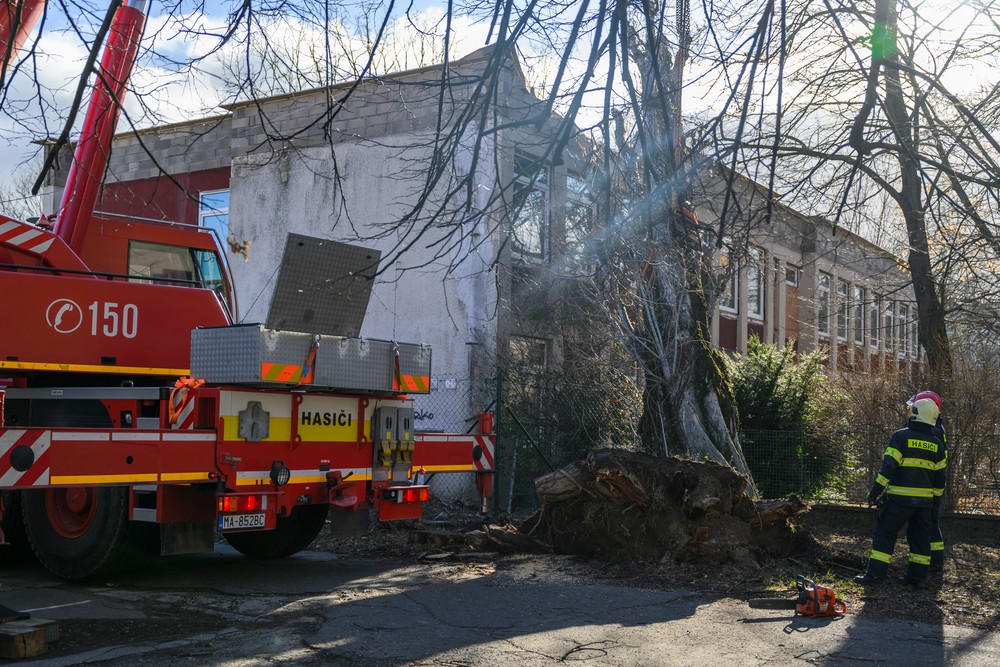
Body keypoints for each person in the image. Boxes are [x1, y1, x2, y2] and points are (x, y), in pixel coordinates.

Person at [854, 396, 947, 587]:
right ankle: (917, 579)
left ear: (915, 413)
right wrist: (935, 501)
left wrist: (875, 492)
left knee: (885, 533)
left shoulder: (901, 436)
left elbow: (889, 467)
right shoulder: (937, 443)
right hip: (924, 504)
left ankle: (875, 576)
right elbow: (941, 478)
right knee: (920, 540)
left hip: (899, 501)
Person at [907, 390, 947, 573]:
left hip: (927, 486)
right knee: (931, 523)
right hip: (930, 485)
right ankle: (935, 561)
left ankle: (935, 561)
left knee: (929, 524)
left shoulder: (933, 430)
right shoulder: (937, 427)